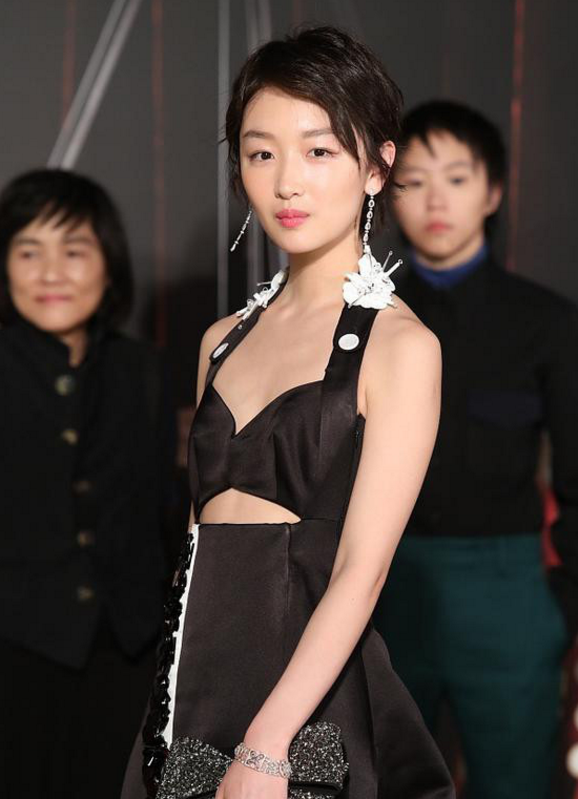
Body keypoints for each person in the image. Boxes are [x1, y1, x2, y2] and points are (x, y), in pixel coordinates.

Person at [122, 26, 454, 799]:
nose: (286, 183)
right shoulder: (220, 341)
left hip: (305, 701)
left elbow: (363, 569)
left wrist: (267, 746)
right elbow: (196, 542)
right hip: (191, 681)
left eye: (319, 151)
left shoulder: (402, 346)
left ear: (377, 166)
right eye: (260, 153)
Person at [374, 100, 578, 799]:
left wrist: (560, 608)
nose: (436, 201)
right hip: (382, 589)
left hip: (508, 594)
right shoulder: (364, 317)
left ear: (491, 193)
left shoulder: (547, 323)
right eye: (414, 181)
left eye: (457, 179)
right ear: (386, 191)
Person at [0, 168, 174, 799]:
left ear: (109, 266)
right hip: (15, 654)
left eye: (74, 251)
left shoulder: (144, 372)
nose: (52, 273)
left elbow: (162, 513)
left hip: (125, 657)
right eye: (29, 252)